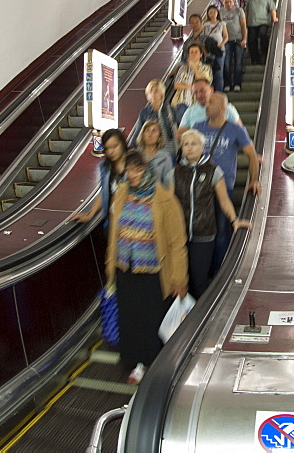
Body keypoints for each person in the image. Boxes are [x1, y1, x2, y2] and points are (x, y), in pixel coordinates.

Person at [106, 150, 187, 384]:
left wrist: (179, 278)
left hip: (153, 273)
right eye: (130, 170)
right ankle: (133, 361)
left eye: (138, 169)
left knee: (150, 321)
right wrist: (110, 266)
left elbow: (177, 242)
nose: (132, 175)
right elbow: (114, 232)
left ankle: (149, 364)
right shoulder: (121, 193)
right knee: (130, 319)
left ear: (148, 170)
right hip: (125, 270)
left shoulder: (164, 199)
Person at [163, 129, 250, 298]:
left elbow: (224, 200)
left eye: (194, 144)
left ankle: (201, 319)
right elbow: (169, 205)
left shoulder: (213, 171)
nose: (189, 148)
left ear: (202, 147)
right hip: (178, 235)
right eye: (186, 144)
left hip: (203, 234)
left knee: (199, 279)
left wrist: (234, 219)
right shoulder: (174, 173)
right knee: (179, 280)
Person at [192, 92, 261, 271]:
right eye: (207, 102)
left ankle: (221, 272)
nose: (206, 105)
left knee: (222, 232)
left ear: (223, 109)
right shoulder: (197, 126)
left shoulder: (235, 130)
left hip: (224, 188)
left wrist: (254, 180)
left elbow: (252, 155)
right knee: (201, 233)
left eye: (211, 103)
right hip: (199, 189)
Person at [72, 127, 128, 230]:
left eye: (114, 146)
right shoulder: (105, 167)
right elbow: (104, 192)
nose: (111, 151)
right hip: (112, 222)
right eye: (107, 148)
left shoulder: (134, 163)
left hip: (132, 221)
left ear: (123, 144)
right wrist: (89, 215)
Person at [177, 78, 242, 139]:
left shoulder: (227, 108)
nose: (199, 95)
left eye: (202, 91)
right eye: (195, 92)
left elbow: (240, 132)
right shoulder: (190, 112)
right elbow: (180, 135)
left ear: (211, 90)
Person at [134, 79, 178, 155]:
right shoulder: (144, 113)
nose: (153, 94)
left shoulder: (170, 110)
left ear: (161, 94)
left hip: (170, 151)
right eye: (150, 92)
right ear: (147, 95)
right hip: (152, 152)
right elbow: (137, 133)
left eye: (156, 91)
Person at [171, 42, 211, 119]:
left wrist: (194, 68)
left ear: (201, 54)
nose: (193, 54)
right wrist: (193, 87)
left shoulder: (206, 68)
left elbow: (204, 82)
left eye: (196, 52)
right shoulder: (183, 68)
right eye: (191, 52)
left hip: (198, 102)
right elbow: (176, 85)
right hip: (182, 102)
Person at [245, 0, 278, 65]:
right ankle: (255, 58)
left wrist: (274, 17)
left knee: (263, 34)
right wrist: (245, 21)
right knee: (252, 40)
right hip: (252, 23)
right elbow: (247, 10)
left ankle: (265, 54)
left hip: (263, 22)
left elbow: (272, 9)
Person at [219, 0, 247, 92]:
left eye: (230, 2)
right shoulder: (220, 12)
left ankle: (237, 83)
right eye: (226, 2)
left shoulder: (239, 10)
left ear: (233, 1)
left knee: (238, 62)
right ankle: (227, 83)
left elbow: (243, 25)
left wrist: (244, 39)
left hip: (238, 39)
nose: (228, 4)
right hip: (226, 40)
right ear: (223, 2)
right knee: (226, 63)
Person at [202, 5, 228, 92]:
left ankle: (219, 92)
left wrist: (222, 44)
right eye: (210, 12)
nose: (213, 14)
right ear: (208, 14)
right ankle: (209, 91)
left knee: (219, 71)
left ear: (217, 13)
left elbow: (226, 36)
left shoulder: (221, 23)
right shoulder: (205, 24)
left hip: (219, 50)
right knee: (209, 72)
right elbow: (202, 36)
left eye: (214, 12)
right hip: (209, 50)